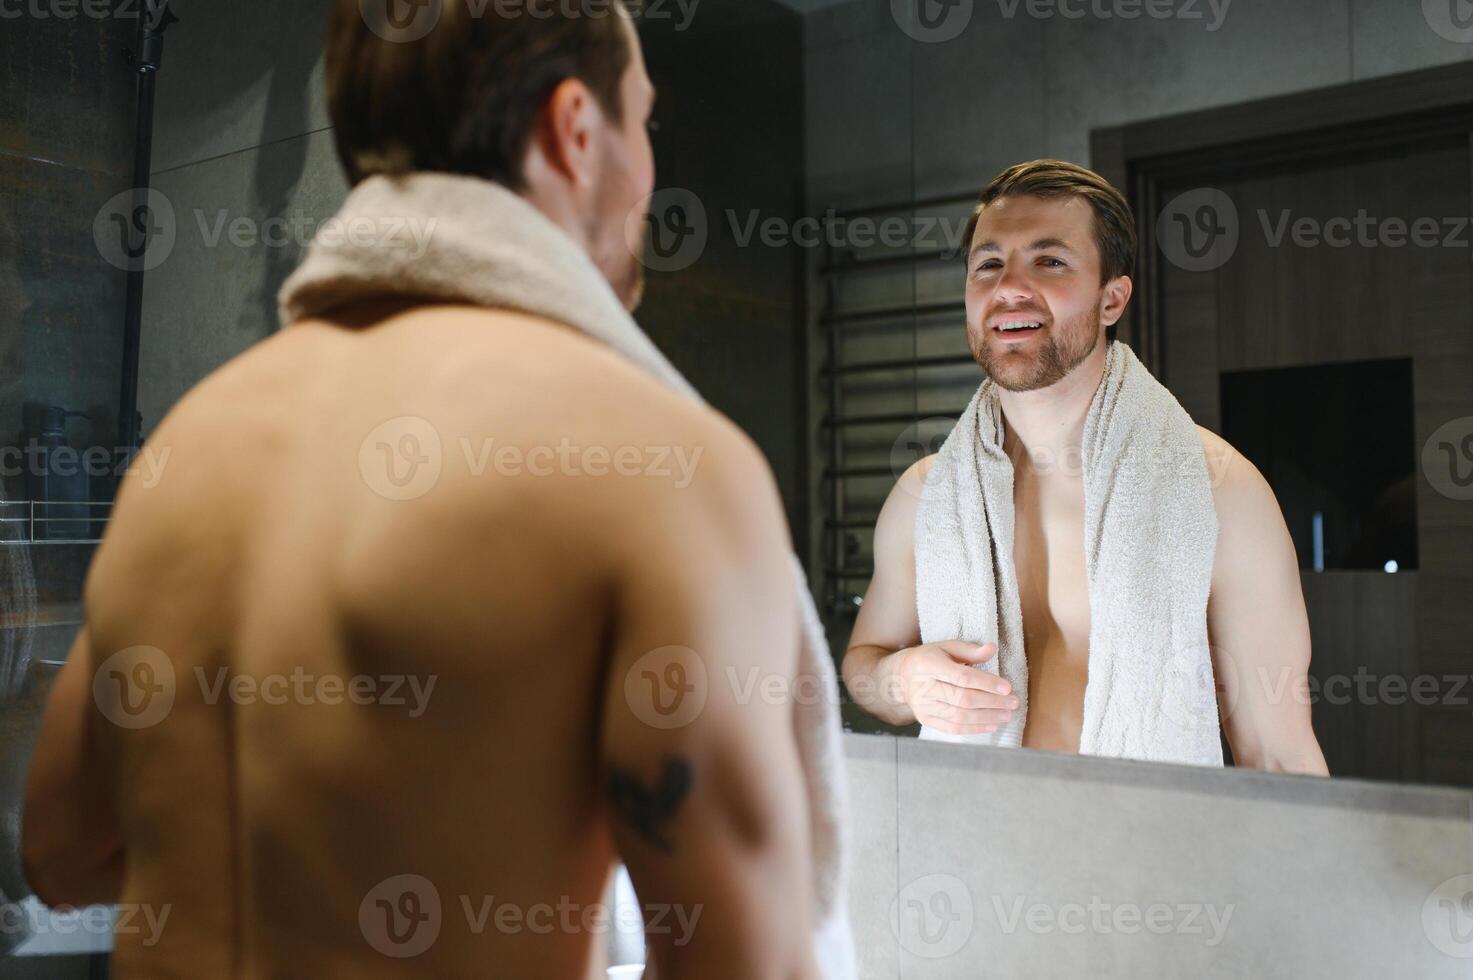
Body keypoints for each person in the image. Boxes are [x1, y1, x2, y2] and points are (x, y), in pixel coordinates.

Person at [24, 3, 849, 976]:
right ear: (575, 130)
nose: (650, 170)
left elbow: (62, 851)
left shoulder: (188, 449)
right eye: (645, 122)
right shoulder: (651, 465)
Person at [843, 160, 1328, 775]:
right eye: (989, 265)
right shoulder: (927, 496)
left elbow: (1278, 752)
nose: (1009, 288)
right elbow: (865, 665)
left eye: (1049, 262)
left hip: (1146, 849)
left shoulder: (1218, 490)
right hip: (975, 846)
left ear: (1111, 299)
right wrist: (902, 678)